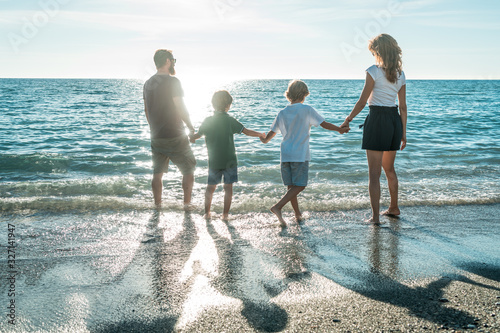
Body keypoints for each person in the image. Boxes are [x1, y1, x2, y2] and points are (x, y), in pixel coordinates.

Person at [261, 80, 349, 227]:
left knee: (291, 187)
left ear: (289, 95)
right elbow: (324, 124)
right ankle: (278, 206)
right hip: (299, 154)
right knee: (300, 185)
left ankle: (297, 214)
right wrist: (339, 129)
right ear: (304, 94)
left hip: (285, 155)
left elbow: (269, 136)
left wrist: (263, 139)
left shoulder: (282, 112)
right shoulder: (307, 109)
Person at [340, 33, 407, 224]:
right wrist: (404, 133)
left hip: (377, 120)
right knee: (389, 169)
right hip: (393, 121)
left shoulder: (373, 71)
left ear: (379, 52)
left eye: (374, 52)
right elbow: (403, 107)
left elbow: (362, 101)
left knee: (374, 174)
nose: (373, 56)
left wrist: (348, 119)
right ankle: (394, 208)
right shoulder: (400, 74)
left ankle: (376, 217)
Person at [190, 90, 265, 220]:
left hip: (214, 161)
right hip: (230, 161)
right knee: (228, 188)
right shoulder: (230, 120)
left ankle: (207, 213)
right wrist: (261, 134)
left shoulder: (208, 121)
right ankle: (225, 215)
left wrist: (190, 137)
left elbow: (197, 136)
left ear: (213, 104)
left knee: (210, 187)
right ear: (227, 106)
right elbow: (246, 132)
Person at [143, 49, 196, 208]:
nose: (173, 62)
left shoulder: (148, 83)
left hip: (156, 135)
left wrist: (153, 128)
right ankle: (186, 205)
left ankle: (157, 206)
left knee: (157, 173)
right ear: (167, 61)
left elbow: (146, 110)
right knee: (188, 169)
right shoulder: (173, 82)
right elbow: (180, 106)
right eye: (173, 60)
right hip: (174, 134)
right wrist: (191, 128)